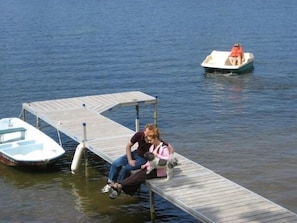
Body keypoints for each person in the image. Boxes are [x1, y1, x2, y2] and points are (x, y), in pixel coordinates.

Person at [101, 123, 174, 193]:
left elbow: (168, 147)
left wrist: (170, 157)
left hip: (143, 159)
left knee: (126, 168)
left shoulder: (154, 140)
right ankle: (110, 183)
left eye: (149, 135)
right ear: (144, 131)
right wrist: (130, 160)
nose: (147, 138)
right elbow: (128, 146)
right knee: (115, 163)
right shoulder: (139, 135)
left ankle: (120, 187)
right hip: (135, 153)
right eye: (146, 133)